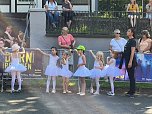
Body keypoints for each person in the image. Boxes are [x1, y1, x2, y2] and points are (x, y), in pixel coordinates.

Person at [119, 28, 137, 98]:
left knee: (132, 76)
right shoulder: (128, 41)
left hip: (131, 61)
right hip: (127, 60)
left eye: (129, 31)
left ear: (132, 33)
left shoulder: (133, 41)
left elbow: (132, 52)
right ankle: (130, 90)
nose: (127, 32)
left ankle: (132, 92)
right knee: (130, 76)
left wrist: (130, 62)